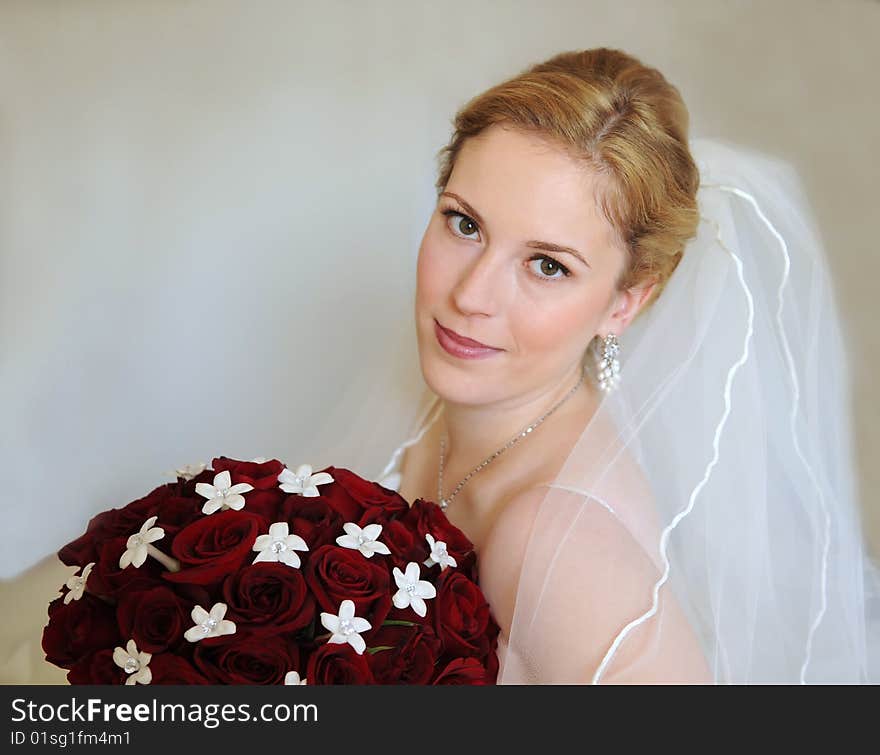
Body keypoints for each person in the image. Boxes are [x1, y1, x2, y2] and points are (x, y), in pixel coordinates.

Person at [366, 47, 880, 683]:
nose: (469, 296)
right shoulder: (441, 397)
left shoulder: (559, 545)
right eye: (463, 223)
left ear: (626, 303)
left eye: (547, 265)